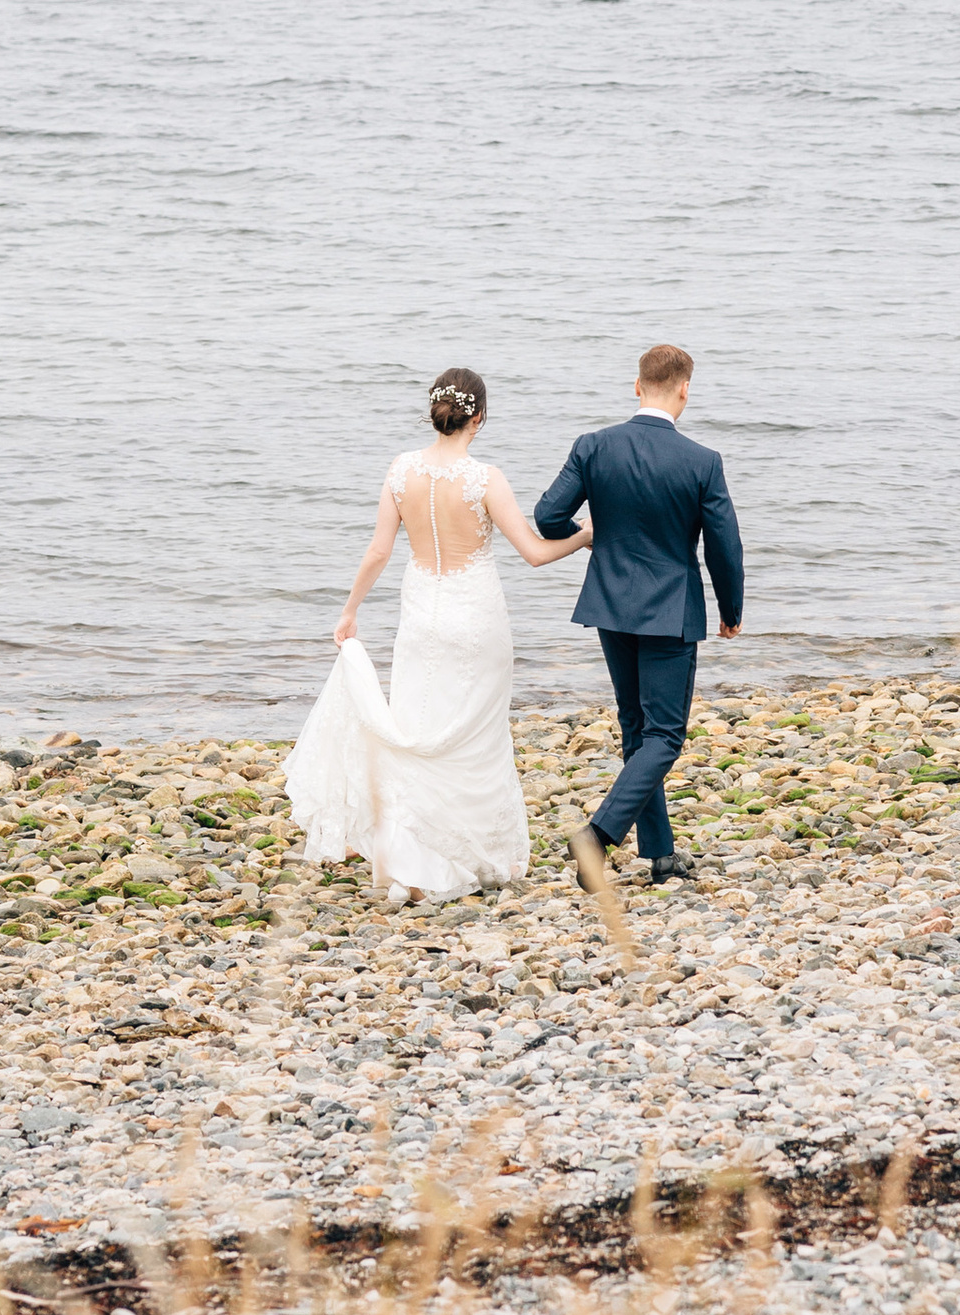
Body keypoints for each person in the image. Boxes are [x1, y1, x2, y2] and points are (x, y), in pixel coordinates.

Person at [282, 366, 588, 900]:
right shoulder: (485, 478)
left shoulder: (401, 471)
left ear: (437, 412)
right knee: (476, 733)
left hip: (421, 615)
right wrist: (587, 536)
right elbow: (536, 554)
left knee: (419, 727)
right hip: (476, 619)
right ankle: (472, 853)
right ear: (481, 416)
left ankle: (409, 856)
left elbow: (379, 551)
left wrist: (349, 610)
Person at [534, 344, 743, 891]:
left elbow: (547, 515)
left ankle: (662, 853)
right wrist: (731, 608)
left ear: (636, 386)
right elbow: (724, 545)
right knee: (665, 735)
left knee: (637, 728)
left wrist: (586, 539)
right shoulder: (702, 460)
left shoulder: (594, 446)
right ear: (684, 390)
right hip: (671, 611)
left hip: (610, 604)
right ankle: (598, 837)